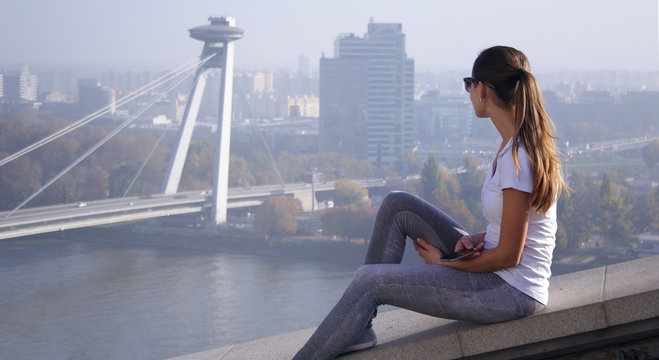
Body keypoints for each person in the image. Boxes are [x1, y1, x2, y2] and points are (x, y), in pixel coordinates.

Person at [293, 45, 567, 360]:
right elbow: (516, 226)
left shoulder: (519, 156)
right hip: (498, 270)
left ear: (482, 90)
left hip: (510, 291)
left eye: (469, 84)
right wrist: (472, 240)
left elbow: (509, 254)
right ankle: (360, 326)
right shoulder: (509, 143)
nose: (468, 93)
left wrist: (446, 263)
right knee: (398, 205)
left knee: (370, 281)